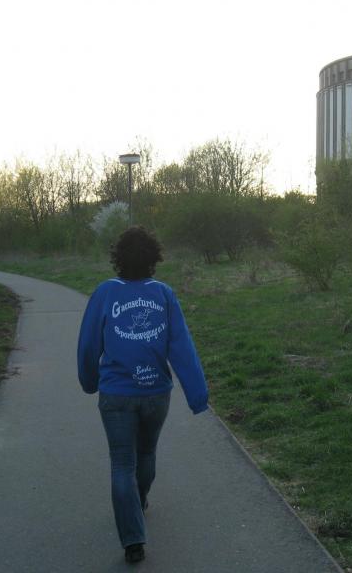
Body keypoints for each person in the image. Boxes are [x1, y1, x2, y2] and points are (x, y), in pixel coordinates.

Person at [77, 226, 208, 564]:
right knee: (146, 452)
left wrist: (89, 381)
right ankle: (139, 499)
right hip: (155, 393)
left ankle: (133, 539)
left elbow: (89, 344)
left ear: (117, 258)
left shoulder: (105, 293)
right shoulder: (164, 294)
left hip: (116, 395)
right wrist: (197, 395)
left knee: (122, 462)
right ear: (154, 258)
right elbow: (181, 347)